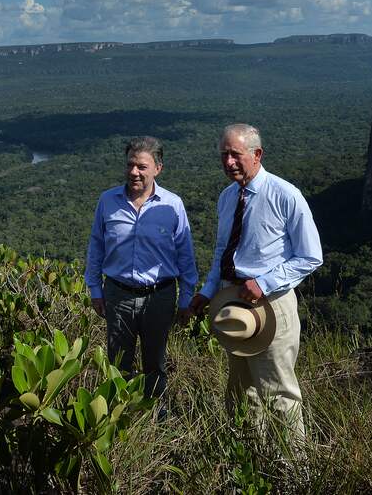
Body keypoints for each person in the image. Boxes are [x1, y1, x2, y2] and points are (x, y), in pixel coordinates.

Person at [189, 123, 322, 444]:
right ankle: (249, 464)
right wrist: (207, 292)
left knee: (279, 394)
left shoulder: (285, 195)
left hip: (272, 304)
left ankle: (293, 473)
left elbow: (310, 256)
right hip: (232, 303)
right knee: (240, 393)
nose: (229, 162)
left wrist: (265, 283)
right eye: (224, 155)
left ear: (257, 154)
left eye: (235, 155)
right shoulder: (226, 197)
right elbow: (223, 250)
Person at [85, 136, 198, 402]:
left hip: (159, 296)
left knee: (155, 364)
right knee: (118, 364)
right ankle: (118, 419)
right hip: (117, 294)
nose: (134, 172)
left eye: (142, 167)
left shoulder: (172, 205)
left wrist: (186, 300)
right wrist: (94, 289)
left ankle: (155, 418)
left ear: (158, 168)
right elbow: (96, 246)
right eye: (130, 165)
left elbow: (185, 256)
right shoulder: (107, 201)